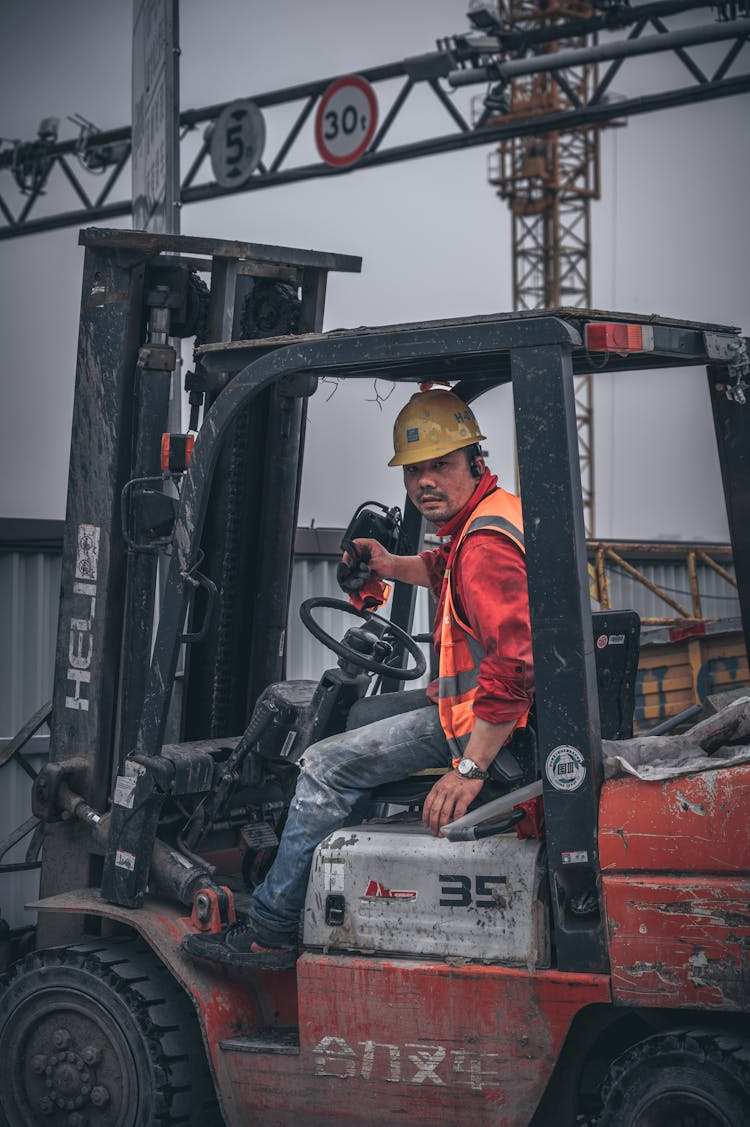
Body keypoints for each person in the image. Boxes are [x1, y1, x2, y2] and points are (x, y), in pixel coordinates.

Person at [183, 388, 534, 969]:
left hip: (486, 731)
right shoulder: (488, 520)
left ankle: (271, 928)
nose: (425, 482)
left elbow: (513, 666)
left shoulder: (485, 549)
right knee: (353, 722)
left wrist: (469, 770)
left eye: (440, 466)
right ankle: (320, 879)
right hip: (472, 711)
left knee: (323, 763)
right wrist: (388, 565)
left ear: (475, 461)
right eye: (415, 470)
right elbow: (446, 570)